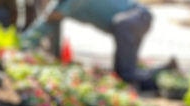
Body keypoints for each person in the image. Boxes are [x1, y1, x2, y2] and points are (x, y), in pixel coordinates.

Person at [19, 0, 171, 90]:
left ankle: (161, 74)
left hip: (136, 17)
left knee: (126, 74)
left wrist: (19, 46)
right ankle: (165, 69)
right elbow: (45, 25)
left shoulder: (66, 4)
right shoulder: (60, 5)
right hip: (128, 23)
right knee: (121, 74)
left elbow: (50, 19)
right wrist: (18, 46)